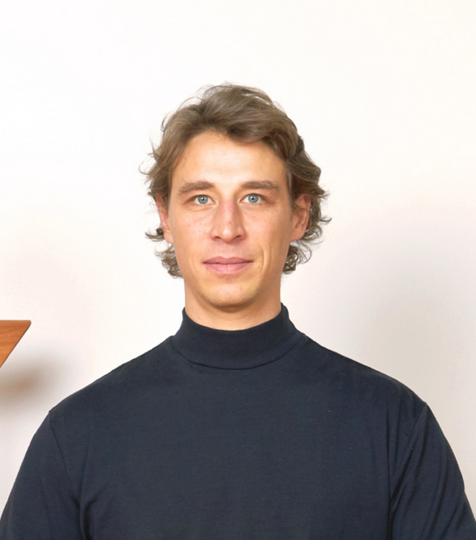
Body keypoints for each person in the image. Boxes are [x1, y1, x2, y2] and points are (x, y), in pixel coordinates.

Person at [1, 84, 475, 540]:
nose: (227, 228)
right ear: (166, 217)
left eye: (254, 197)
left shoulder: (394, 423)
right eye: (201, 198)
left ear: (298, 215)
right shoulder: (78, 432)